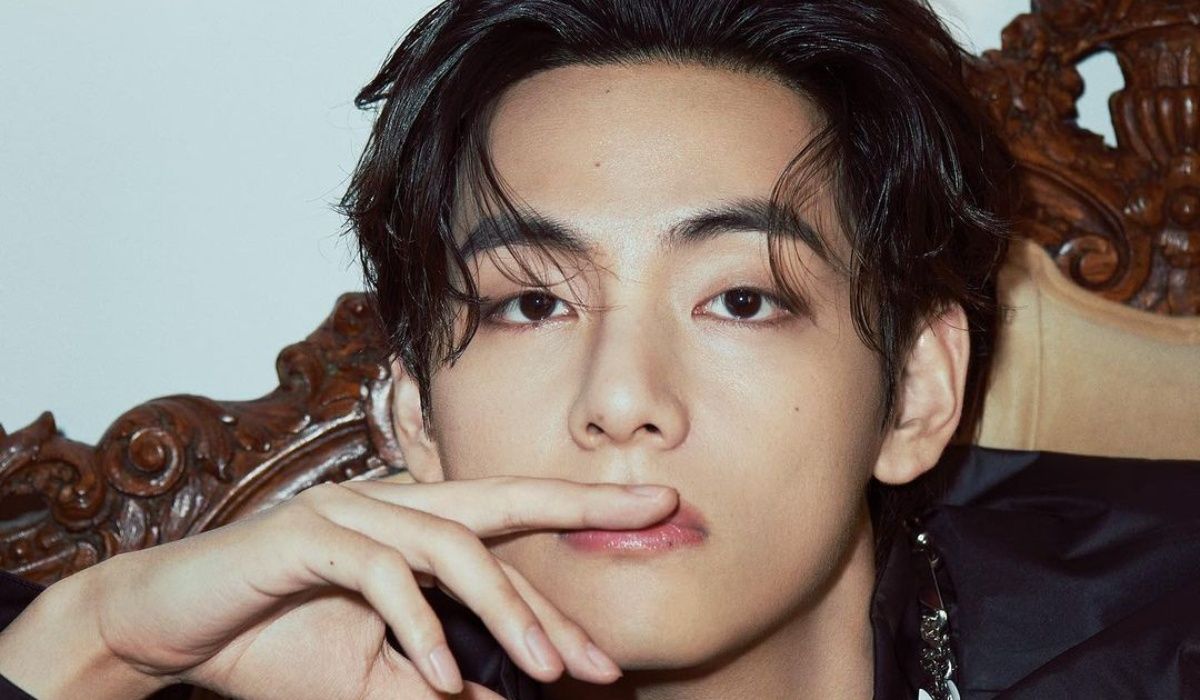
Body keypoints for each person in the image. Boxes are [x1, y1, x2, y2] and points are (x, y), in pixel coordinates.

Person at [0, 1, 1198, 698]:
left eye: (741, 299)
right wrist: (96, 644)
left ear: (917, 394)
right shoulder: (291, 663)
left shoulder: (1155, 641)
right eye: (531, 304)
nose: (622, 401)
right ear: (414, 418)